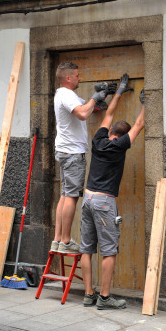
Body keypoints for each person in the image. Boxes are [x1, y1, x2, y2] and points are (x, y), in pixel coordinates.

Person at [80, 76, 144, 310]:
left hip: (87, 199)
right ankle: (104, 298)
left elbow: (107, 115)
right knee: (109, 252)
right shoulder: (120, 146)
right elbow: (138, 125)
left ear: (110, 132)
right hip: (104, 202)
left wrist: (119, 92)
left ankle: (89, 294)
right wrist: (147, 103)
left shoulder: (99, 140)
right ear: (124, 136)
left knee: (87, 249)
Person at [52, 62, 110, 254]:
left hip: (65, 151)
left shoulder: (64, 94)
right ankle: (66, 241)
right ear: (68, 78)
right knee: (71, 197)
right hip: (72, 153)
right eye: (77, 75)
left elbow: (85, 108)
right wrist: (94, 98)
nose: (80, 78)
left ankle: (58, 239)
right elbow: (83, 113)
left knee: (64, 195)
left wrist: (97, 102)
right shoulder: (66, 94)